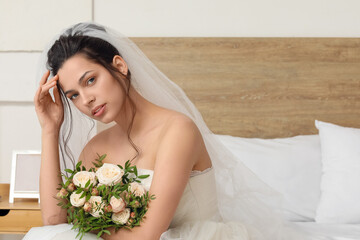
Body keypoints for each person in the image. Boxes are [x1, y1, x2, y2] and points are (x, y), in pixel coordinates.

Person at [24, 22, 308, 240]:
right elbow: (53, 221)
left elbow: (148, 235)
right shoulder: (96, 148)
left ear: (119, 66)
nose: (85, 100)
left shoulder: (177, 130)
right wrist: (50, 130)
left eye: (91, 80)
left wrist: (97, 229)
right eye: (73, 95)